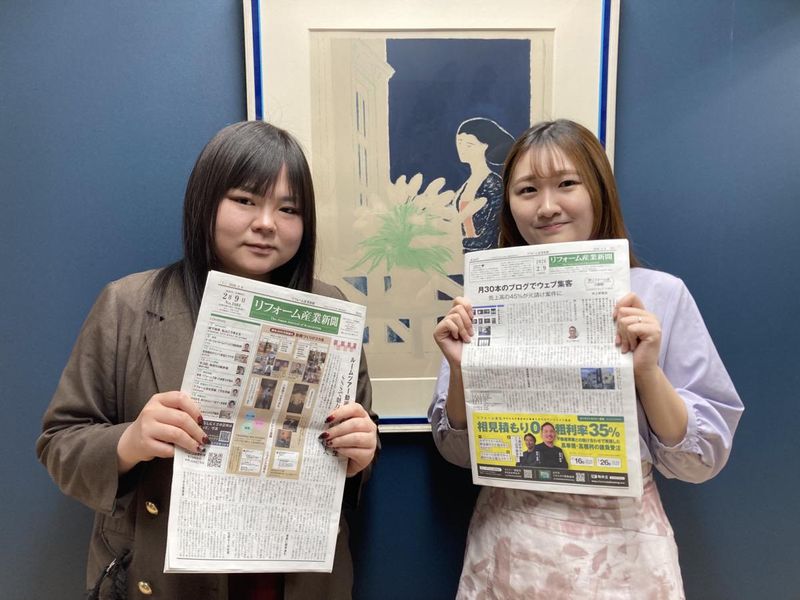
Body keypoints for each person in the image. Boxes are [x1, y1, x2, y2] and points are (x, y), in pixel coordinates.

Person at [36, 121, 378, 600]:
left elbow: (355, 445)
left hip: (292, 574)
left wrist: (361, 450)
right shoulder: (127, 304)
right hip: (166, 574)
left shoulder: (330, 309)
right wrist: (131, 441)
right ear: (205, 202)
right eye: (245, 200)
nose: (267, 223)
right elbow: (59, 443)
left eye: (289, 209)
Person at [430, 119, 743, 598]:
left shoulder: (660, 295)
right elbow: (458, 452)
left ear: (598, 190)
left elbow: (700, 462)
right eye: (528, 190)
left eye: (566, 184)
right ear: (509, 204)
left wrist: (647, 371)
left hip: (624, 552)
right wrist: (459, 368)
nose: (547, 206)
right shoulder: (481, 302)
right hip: (509, 544)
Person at [452, 117, 514, 253]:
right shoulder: (466, 185)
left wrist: (454, 242)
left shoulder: (493, 185)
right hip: (464, 256)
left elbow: (488, 238)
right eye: (459, 142)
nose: (462, 149)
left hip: (485, 258)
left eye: (469, 144)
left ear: (485, 146)